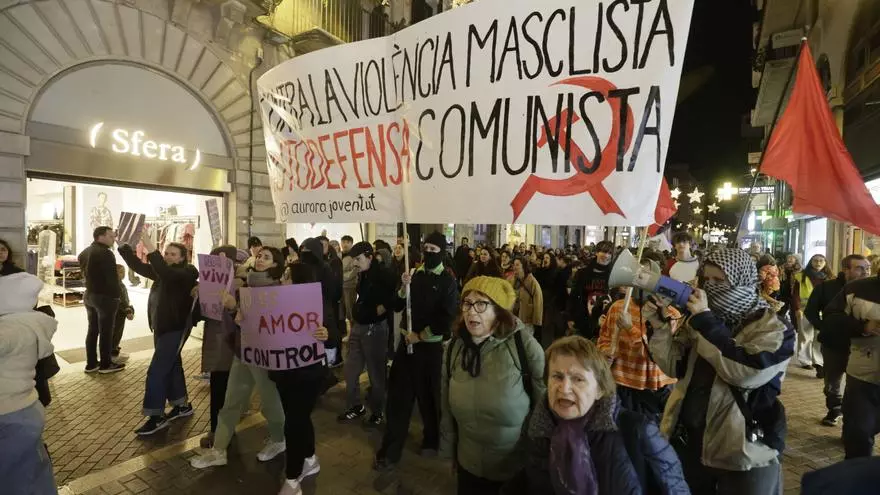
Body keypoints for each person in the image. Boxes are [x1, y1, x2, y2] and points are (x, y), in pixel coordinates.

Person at [648, 248, 794, 494]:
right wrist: (659, 325)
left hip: (742, 450)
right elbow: (675, 367)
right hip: (691, 441)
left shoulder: (775, 327)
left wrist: (705, 320)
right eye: (707, 280)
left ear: (741, 280)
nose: (711, 286)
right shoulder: (700, 318)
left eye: (720, 280)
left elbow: (744, 372)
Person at [507, 335, 688, 495]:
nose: (564, 388)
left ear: (600, 389)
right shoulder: (537, 426)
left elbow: (675, 487)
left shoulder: (637, 430)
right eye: (557, 376)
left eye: (578, 379)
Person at [440, 276, 545, 493]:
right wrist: (449, 453)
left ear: (498, 311)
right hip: (467, 466)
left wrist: (538, 462)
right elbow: (446, 409)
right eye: (467, 303)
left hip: (514, 471)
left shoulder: (523, 347)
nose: (471, 311)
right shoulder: (453, 349)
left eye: (481, 304)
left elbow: (544, 409)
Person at [190, 246, 287, 466]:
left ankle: (280, 439)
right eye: (259, 256)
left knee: (270, 402)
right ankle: (219, 450)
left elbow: (273, 324)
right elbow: (241, 318)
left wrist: (237, 309)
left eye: (267, 257)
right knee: (231, 401)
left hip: (264, 355)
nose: (260, 259)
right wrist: (234, 309)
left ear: (276, 265)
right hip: (243, 351)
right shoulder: (246, 284)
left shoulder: (277, 289)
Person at [374, 232, 459, 473]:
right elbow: (399, 305)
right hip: (406, 347)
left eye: (434, 249)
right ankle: (390, 451)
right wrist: (404, 286)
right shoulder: (415, 274)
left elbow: (446, 318)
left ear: (441, 252)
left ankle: (431, 439)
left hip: (429, 349)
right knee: (398, 400)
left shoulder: (447, 281)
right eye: (426, 248)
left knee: (429, 398)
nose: (429, 253)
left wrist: (421, 335)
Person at [119, 232, 199, 435]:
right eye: (166, 253)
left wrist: (152, 250)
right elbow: (139, 267)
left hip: (175, 327)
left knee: (157, 370)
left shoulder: (186, 273)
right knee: (172, 364)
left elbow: (166, 274)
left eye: (173, 254)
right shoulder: (163, 271)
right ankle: (181, 405)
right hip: (161, 326)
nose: (168, 257)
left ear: (183, 257)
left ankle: (156, 416)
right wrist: (124, 247)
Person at [271, 262, 331, 495]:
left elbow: (334, 332)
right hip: (283, 372)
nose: (283, 280)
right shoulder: (276, 302)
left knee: (293, 422)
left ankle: (293, 478)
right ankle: (310, 458)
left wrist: (326, 333)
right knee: (299, 418)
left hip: (308, 374)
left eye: (287, 276)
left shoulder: (316, 302)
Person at [597, 252, 677, 421]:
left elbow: (655, 354)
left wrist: (629, 328)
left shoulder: (669, 314)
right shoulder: (618, 307)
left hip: (651, 389)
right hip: (620, 383)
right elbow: (604, 337)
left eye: (646, 275)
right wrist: (605, 352)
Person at [0, 273, 58, 494]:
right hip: (23, 408)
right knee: (31, 472)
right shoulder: (28, 322)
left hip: (11, 413)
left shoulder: (12, 329)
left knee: (19, 478)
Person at [806, 254, 870, 427]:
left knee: (856, 384)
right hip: (834, 345)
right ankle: (834, 408)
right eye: (860, 268)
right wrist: (825, 326)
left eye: (867, 268)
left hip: (861, 346)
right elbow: (810, 311)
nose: (865, 272)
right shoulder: (826, 288)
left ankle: (850, 418)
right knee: (832, 382)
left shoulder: (869, 290)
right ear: (846, 269)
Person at [823, 265, 880, 459]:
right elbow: (831, 319)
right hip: (864, 376)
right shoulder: (857, 289)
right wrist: (863, 326)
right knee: (858, 434)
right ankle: (857, 478)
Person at [339, 242, 396, 427]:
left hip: (375, 329)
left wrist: (377, 312)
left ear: (369, 257)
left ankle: (377, 412)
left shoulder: (384, 275)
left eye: (358, 259)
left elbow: (393, 299)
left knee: (376, 373)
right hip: (358, 327)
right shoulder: (363, 274)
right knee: (350, 370)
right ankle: (356, 406)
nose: (355, 263)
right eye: (353, 259)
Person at [194, 245, 239, 448]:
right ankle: (218, 430)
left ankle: (225, 429)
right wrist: (197, 297)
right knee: (219, 387)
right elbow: (199, 316)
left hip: (235, 343)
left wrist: (233, 307)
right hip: (217, 342)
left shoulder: (242, 283)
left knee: (232, 390)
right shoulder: (207, 284)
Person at [79, 226, 126, 374]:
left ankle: (91, 363)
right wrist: (117, 296)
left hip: (89, 295)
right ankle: (106, 364)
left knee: (93, 330)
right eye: (111, 236)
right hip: (105, 297)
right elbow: (111, 278)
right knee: (106, 331)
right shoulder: (106, 253)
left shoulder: (85, 252)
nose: (114, 239)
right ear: (101, 236)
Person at [568, 240, 614, 339]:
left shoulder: (614, 276)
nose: (606, 255)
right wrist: (570, 317)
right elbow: (574, 296)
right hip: (583, 320)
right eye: (604, 251)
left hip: (606, 323)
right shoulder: (582, 273)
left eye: (609, 253)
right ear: (597, 252)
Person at [797, 254, 834, 375]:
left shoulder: (830, 278)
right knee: (805, 336)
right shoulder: (801, 276)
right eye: (815, 260)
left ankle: (818, 362)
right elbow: (795, 294)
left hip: (823, 311)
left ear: (825, 263)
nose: (818, 263)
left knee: (819, 336)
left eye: (821, 261)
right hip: (805, 309)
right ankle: (805, 360)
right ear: (811, 262)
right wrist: (797, 308)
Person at [513, 258, 543, 338]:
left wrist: (536, 321)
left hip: (527, 319)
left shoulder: (532, 281)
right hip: (515, 317)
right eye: (514, 264)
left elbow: (538, 301)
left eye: (517, 264)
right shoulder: (515, 280)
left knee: (526, 340)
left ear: (523, 266)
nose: (515, 267)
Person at [112, 264, 135, 365]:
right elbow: (121, 302)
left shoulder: (119, 284)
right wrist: (128, 311)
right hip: (118, 314)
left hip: (120, 314)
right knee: (116, 333)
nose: (123, 274)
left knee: (117, 333)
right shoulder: (117, 286)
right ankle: (113, 354)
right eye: (121, 272)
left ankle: (114, 350)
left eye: (124, 271)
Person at [341, 235, 357, 326]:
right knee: (341, 311)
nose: (345, 244)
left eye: (348, 242)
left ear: (352, 244)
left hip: (350, 286)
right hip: (340, 287)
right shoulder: (339, 254)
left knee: (350, 311)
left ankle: (353, 332)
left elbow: (354, 272)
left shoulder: (354, 256)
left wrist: (340, 277)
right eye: (343, 242)